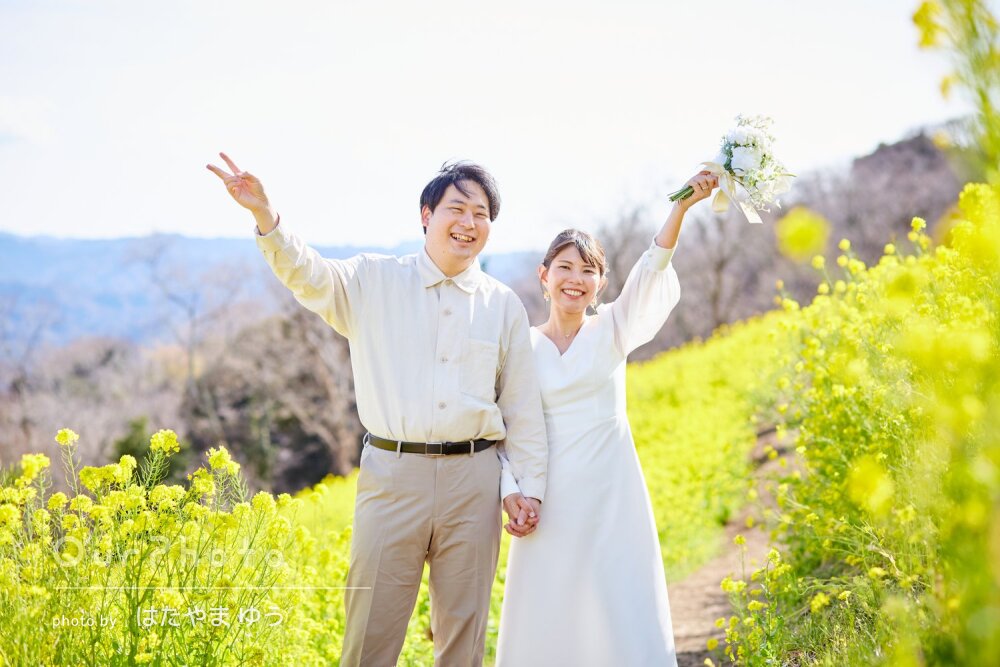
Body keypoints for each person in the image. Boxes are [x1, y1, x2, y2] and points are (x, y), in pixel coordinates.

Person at [206, 153, 548, 666]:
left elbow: (520, 406)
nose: (469, 224)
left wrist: (528, 488)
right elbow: (309, 275)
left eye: (481, 214)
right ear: (426, 215)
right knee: (370, 637)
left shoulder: (502, 305)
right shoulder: (373, 280)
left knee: (464, 639)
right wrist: (266, 218)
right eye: (457, 208)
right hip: (393, 476)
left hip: (473, 481)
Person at [495, 171, 719, 667]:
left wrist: (682, 206)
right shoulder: (520, 346)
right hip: (546, 500)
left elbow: (653, 265)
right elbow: (500, 432)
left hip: (612, 496)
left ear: (601, 284)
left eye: (588, 270)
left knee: (616, 607)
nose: (576, 279)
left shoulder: (614, 327)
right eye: (565, 267)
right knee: (551, 613)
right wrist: (511, 490)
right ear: (544, 275)